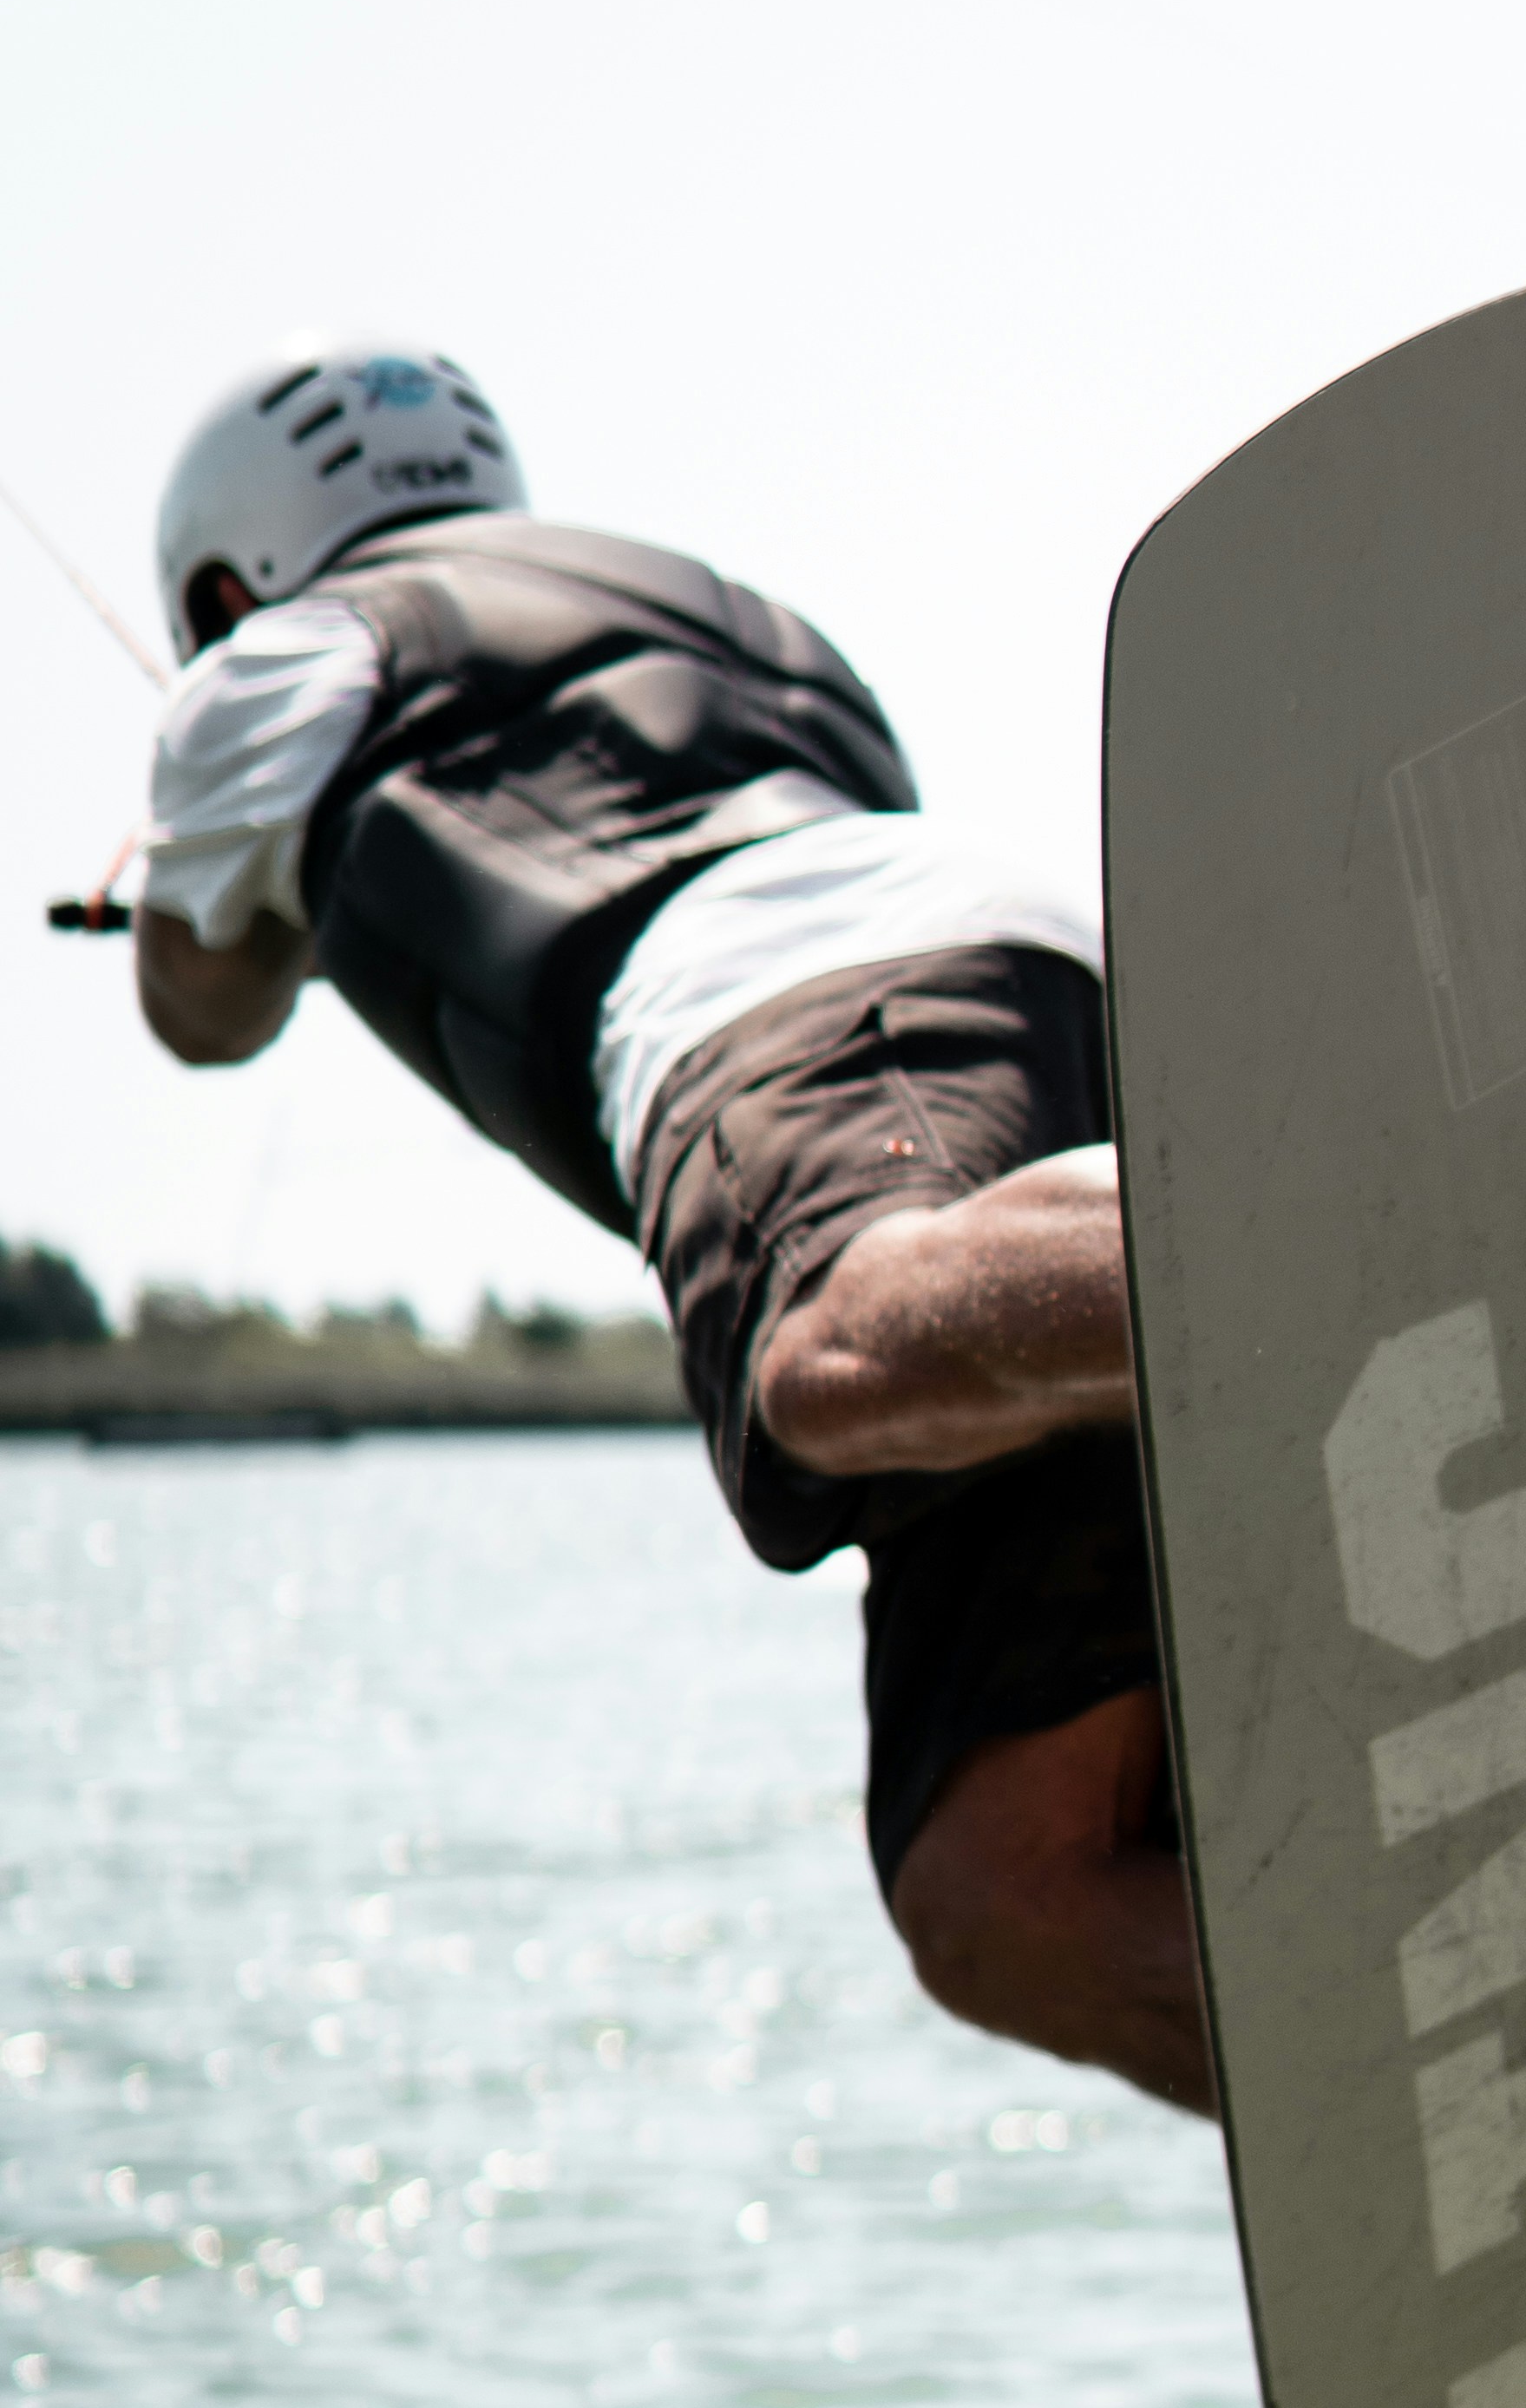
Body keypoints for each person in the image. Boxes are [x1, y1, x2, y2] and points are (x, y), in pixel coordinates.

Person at [128, 343, 1211, 2116]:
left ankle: (1341, 1243)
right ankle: (1519, 2106)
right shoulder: (735, 616)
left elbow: (202, 1003)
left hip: (780, 1015)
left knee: (829, 1353)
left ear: (231, 580)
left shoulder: (286, 652)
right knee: (995, 1891)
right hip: (1034, 977)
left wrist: (183, 853)